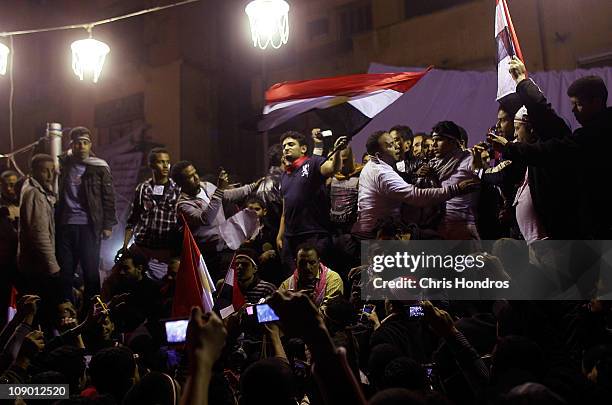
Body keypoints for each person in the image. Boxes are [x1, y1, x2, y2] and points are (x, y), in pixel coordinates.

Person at [351, 130, 479, 239]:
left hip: (373, 229)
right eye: (390, 145)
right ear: (379, 155)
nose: (396, 146)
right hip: (376, 234)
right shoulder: (381, 173)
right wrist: (455, 189)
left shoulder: (373, 166)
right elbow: (416, 196)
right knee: (435, 240)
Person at [56, 126, 117, 303]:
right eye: (77, 143)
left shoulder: (99, 167)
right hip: (65, 225)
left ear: (90, 145)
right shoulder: (63, 164)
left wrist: (107, 225)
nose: (81, 146)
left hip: (89, 226)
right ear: (72, 145)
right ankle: (67, 313)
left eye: (85, 143)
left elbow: (109, 196)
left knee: (90, 272)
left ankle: (93, 311)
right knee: (65, 272)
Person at [171, 160, 261, 278]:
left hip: (226, 247)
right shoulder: (183, 205)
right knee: (216, 287)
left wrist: (252, 186)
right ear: (180, 183)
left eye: (195, 173)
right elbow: (206, 218)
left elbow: (228, 195)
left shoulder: (206, 186)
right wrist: (219, 190)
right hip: (209, 255)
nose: (196, 177)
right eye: (190, 177)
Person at [276, 130, 348, 267]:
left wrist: (337, 152)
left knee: (316, 279)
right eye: (284, 146)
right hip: (290, 238)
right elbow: (285, 209)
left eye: (291, 144)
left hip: (314, 235)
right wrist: (281, 235)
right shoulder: (284, 175)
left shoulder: (313, 163)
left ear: (303, 149)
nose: (286, 148)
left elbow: (333, 168)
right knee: (292, 281)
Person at [121, 147, 181, 280]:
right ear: (152, 165)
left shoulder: (177, 190)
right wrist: (125, 245)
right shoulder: (143, 189)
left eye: (167, 162)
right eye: (161, 162)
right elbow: (133, 218)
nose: (165, 166)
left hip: (165, 250)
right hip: (142, 248)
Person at [18, 154, 63, 318]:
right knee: (42, 314)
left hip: (34, 265)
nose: (50, 176)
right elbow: (40, 235)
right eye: (45, 171)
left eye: (52, 171)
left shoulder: (35, 190)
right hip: (38, 267)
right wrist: (53, 267)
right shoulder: (35, 194)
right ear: (33, 171)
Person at [429, 121, 481, 243]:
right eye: (433, 140)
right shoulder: (432, 165)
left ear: (453, 142)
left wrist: (478, 165)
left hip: (463, 229)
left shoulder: (468, 160)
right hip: (439, 228)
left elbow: (479, 179)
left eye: (439, 140)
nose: (434, 145)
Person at [279, 244, 343, 310]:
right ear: (296, 263)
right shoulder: (287, 285)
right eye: (302, 263)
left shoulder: (333, 279)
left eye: (312, 263)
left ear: (319, 262)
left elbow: (329, 314)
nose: (307, 268)